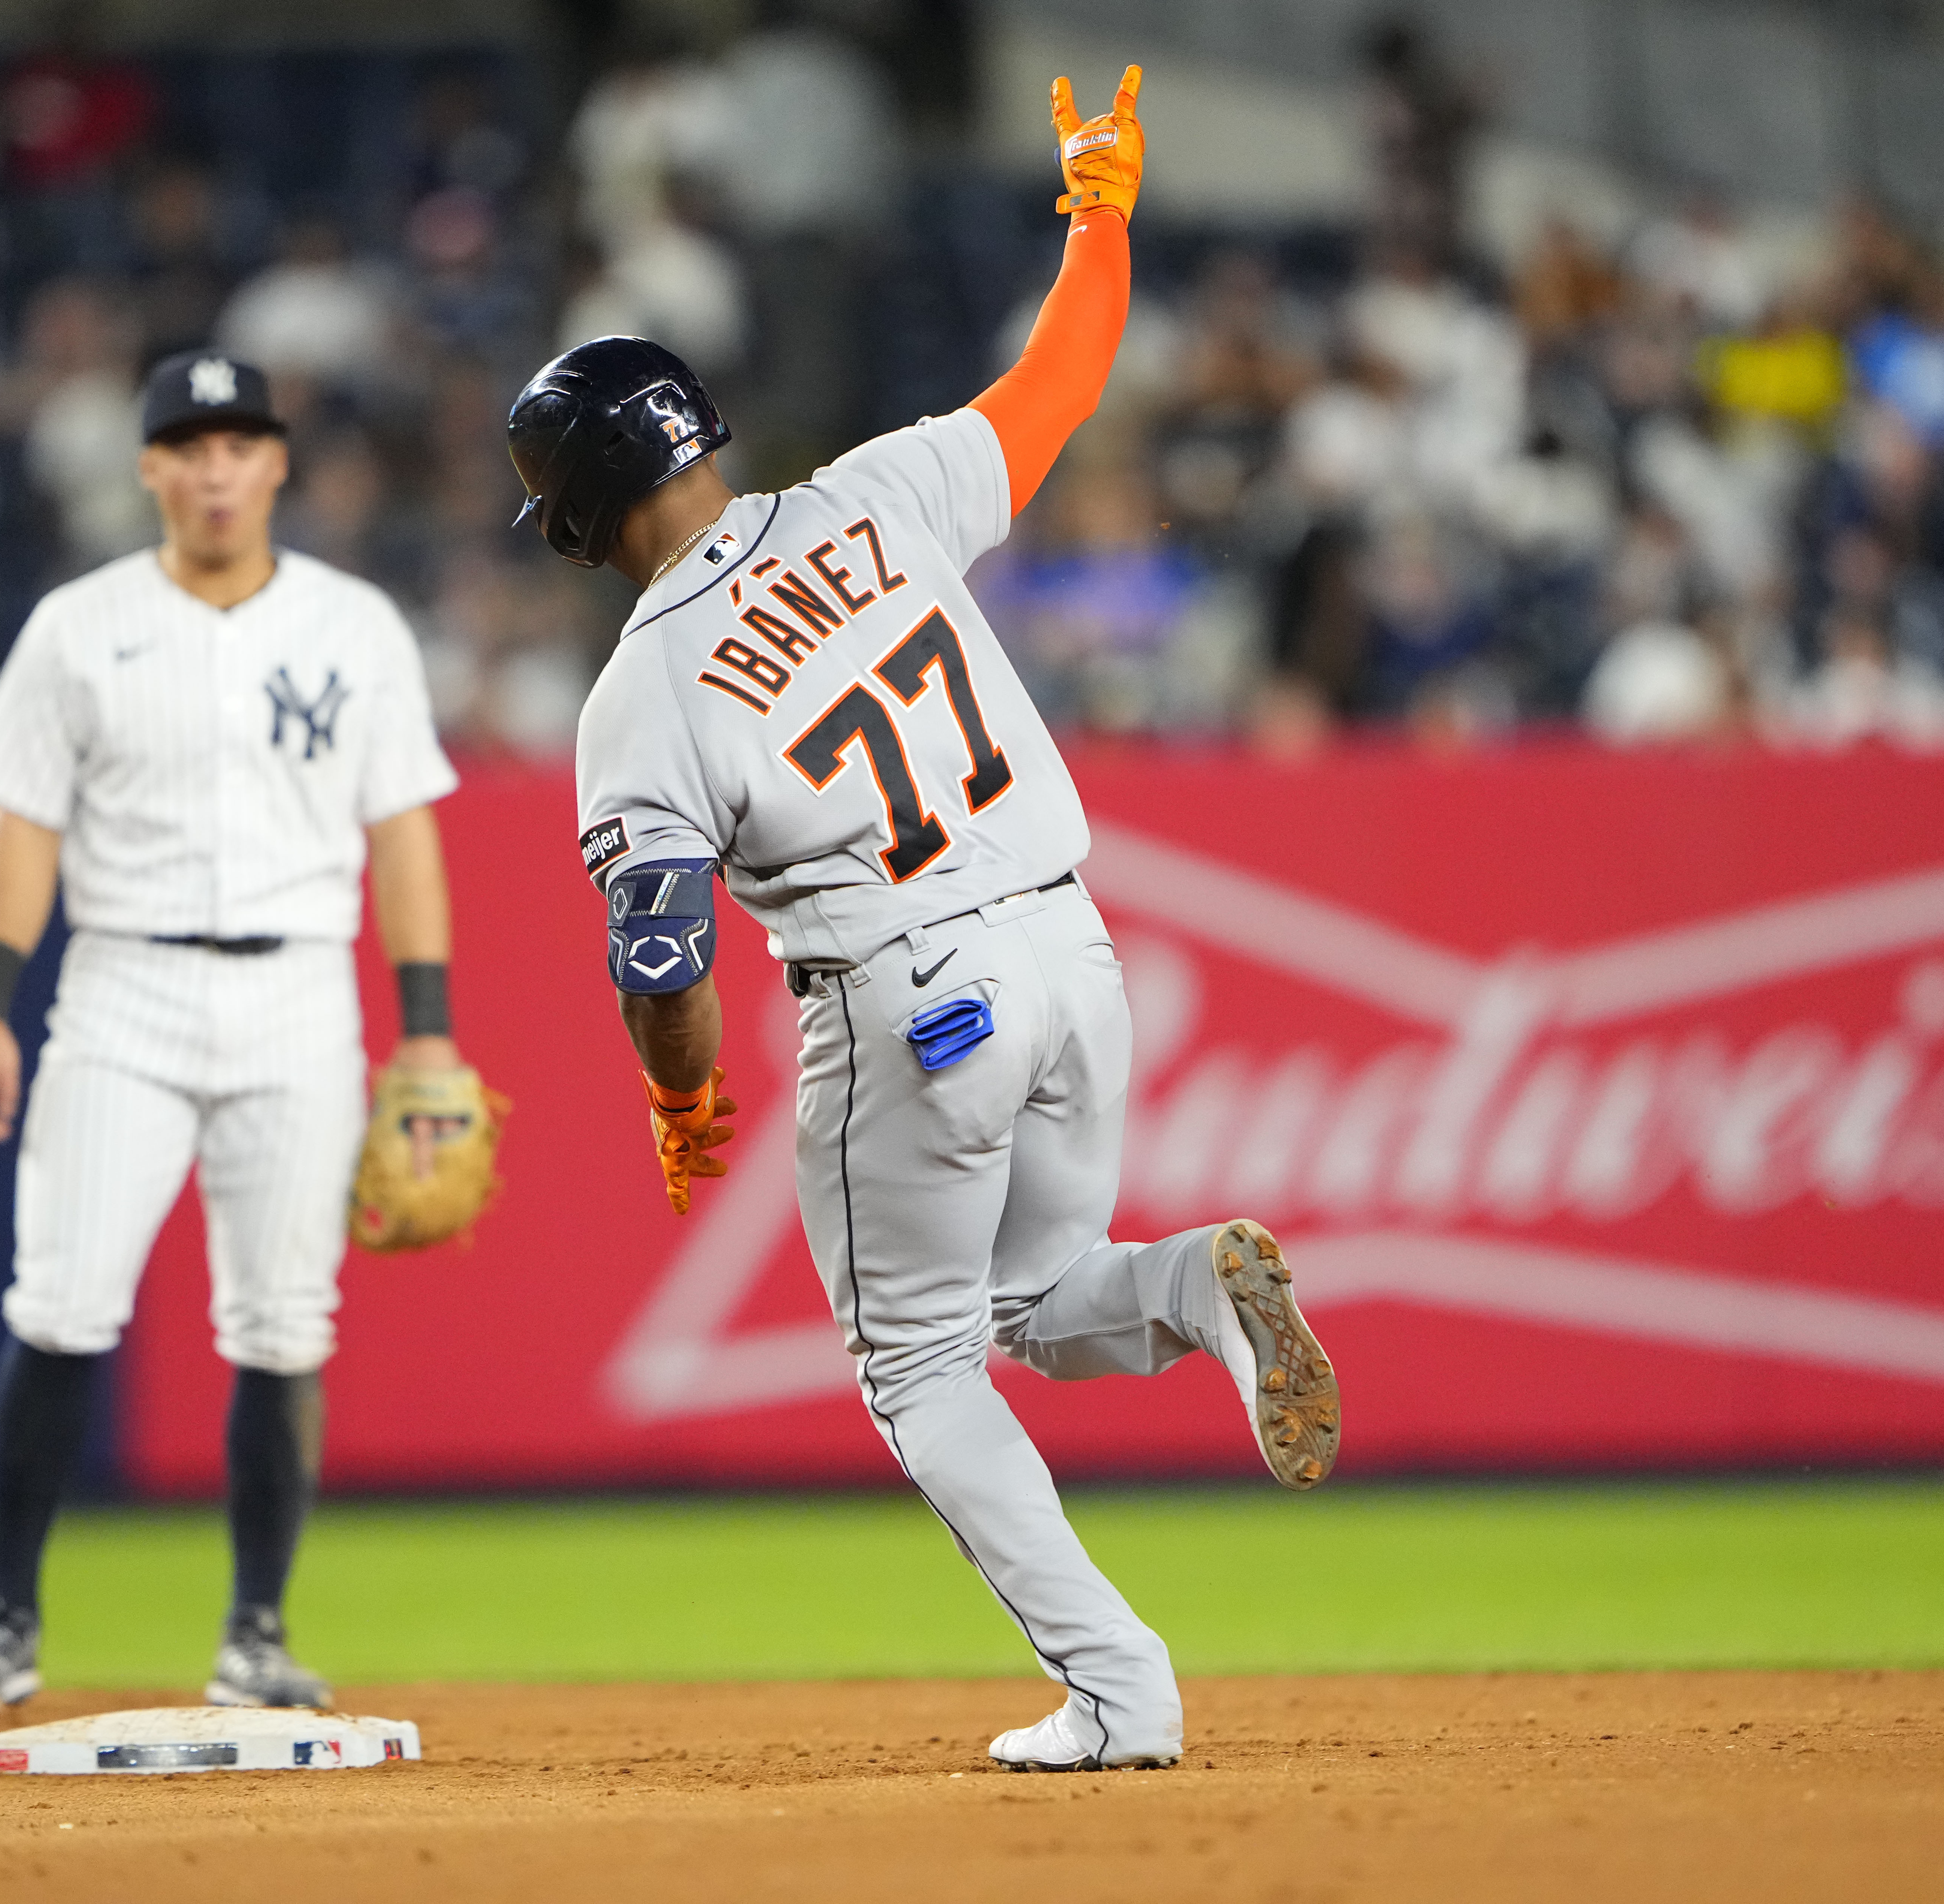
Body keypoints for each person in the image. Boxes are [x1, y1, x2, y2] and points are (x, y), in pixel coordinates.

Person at [513, 66, 1340, 1774]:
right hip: (1068, 944)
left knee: (917, 1369)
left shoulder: (641, 689)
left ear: (584, 513)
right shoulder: (877, 492)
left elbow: (658, 956)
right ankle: (1193, 1284)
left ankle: (1119, 1688)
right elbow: (1063, 373)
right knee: (1038, 1300)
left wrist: (681, 1104)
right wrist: (1098, 206)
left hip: (909, 992)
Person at [0, 349, 467, 1714]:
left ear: (277, 461)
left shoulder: (356, 627)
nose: (217, 467)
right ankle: (5, 1624)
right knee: (60, 1300)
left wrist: (432, 1037)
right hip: (122, 991)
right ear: (151, 467)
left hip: (298, 996)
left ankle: (258, 1635)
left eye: (241, 442)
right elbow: (21, 830)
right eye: (191, 444)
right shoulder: (77, 625)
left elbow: (403, 836)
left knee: (286, 1320)